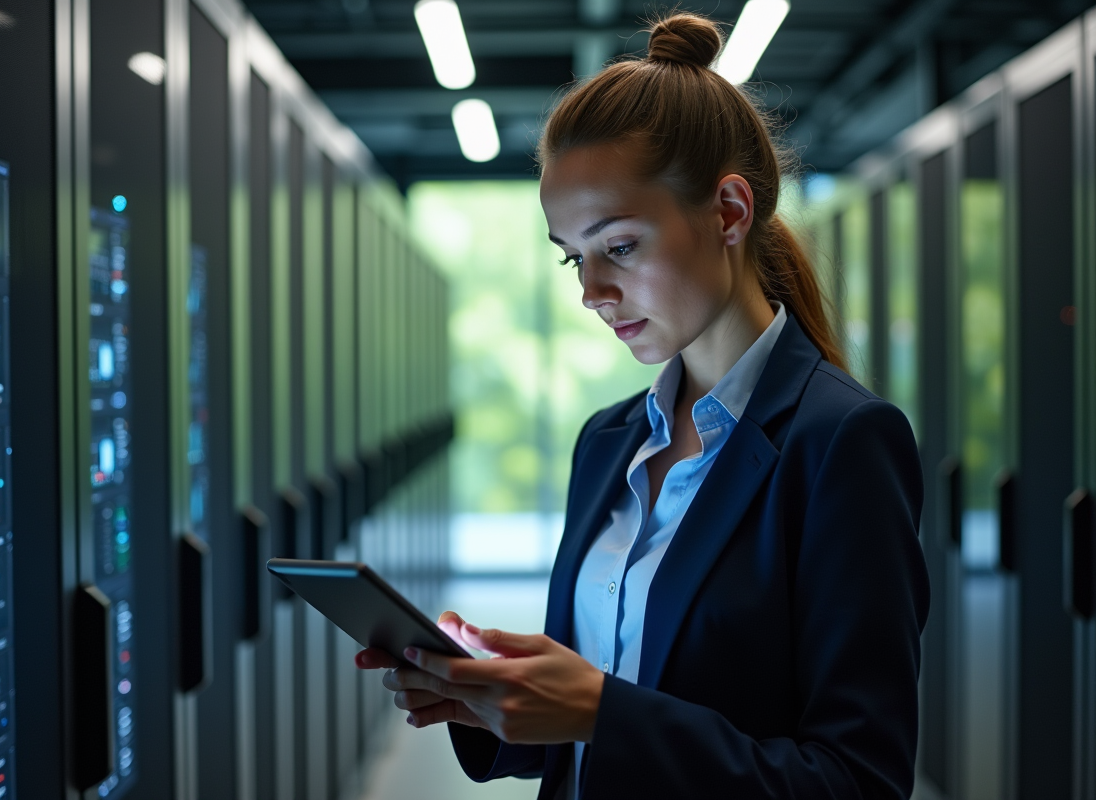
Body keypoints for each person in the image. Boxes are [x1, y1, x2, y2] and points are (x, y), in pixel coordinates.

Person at [356, 11, 929, 799]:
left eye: (619, 246)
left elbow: (857, 780)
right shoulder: (608, 442)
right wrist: (498, 701)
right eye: (574, 258)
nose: (591, 293)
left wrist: (600, 711)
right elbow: (590, 734)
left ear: (729, 212)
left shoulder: (842, 443)